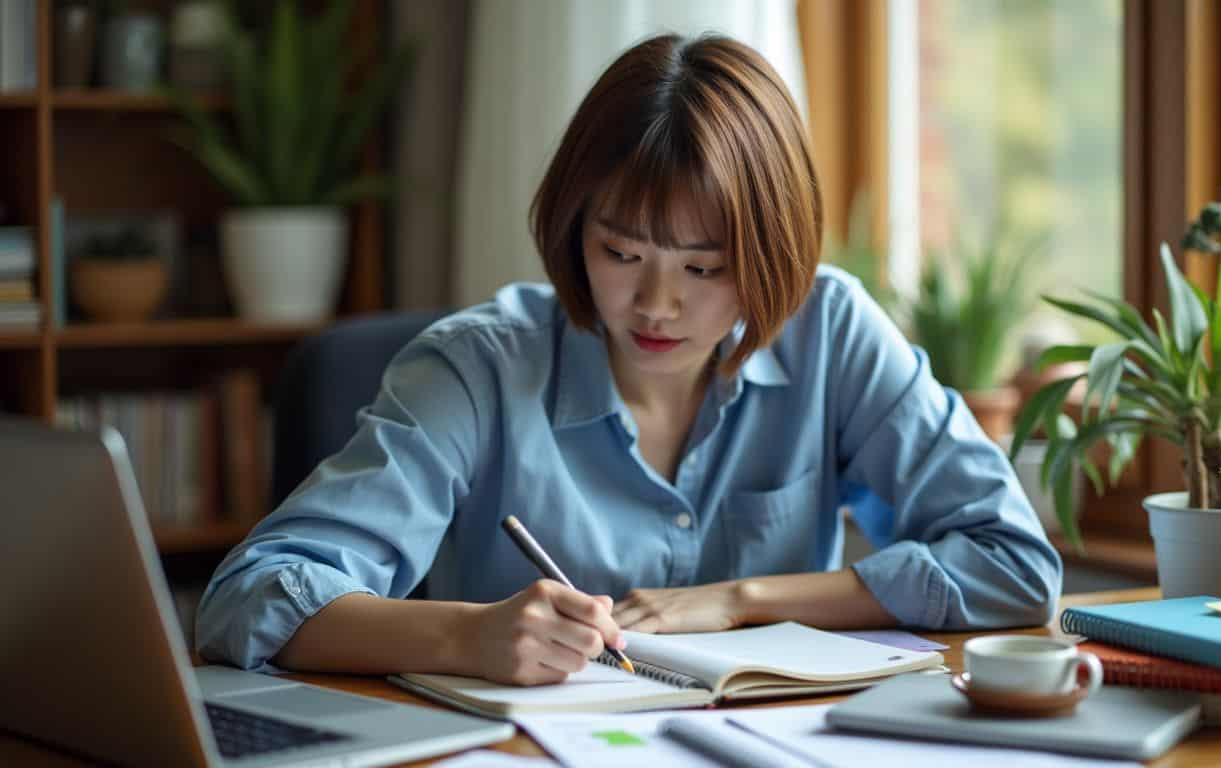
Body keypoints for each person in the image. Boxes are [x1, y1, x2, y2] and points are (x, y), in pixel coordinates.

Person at [197, 33, 1061, 685]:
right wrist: (465, 635)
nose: (655, 304)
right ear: (575, 233)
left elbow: (1017, 567)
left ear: (773, 253)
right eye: (619, 253)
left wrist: (742, 602)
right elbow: (249, 597)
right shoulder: (476, 370)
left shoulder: (831, 331)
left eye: (703, 268)